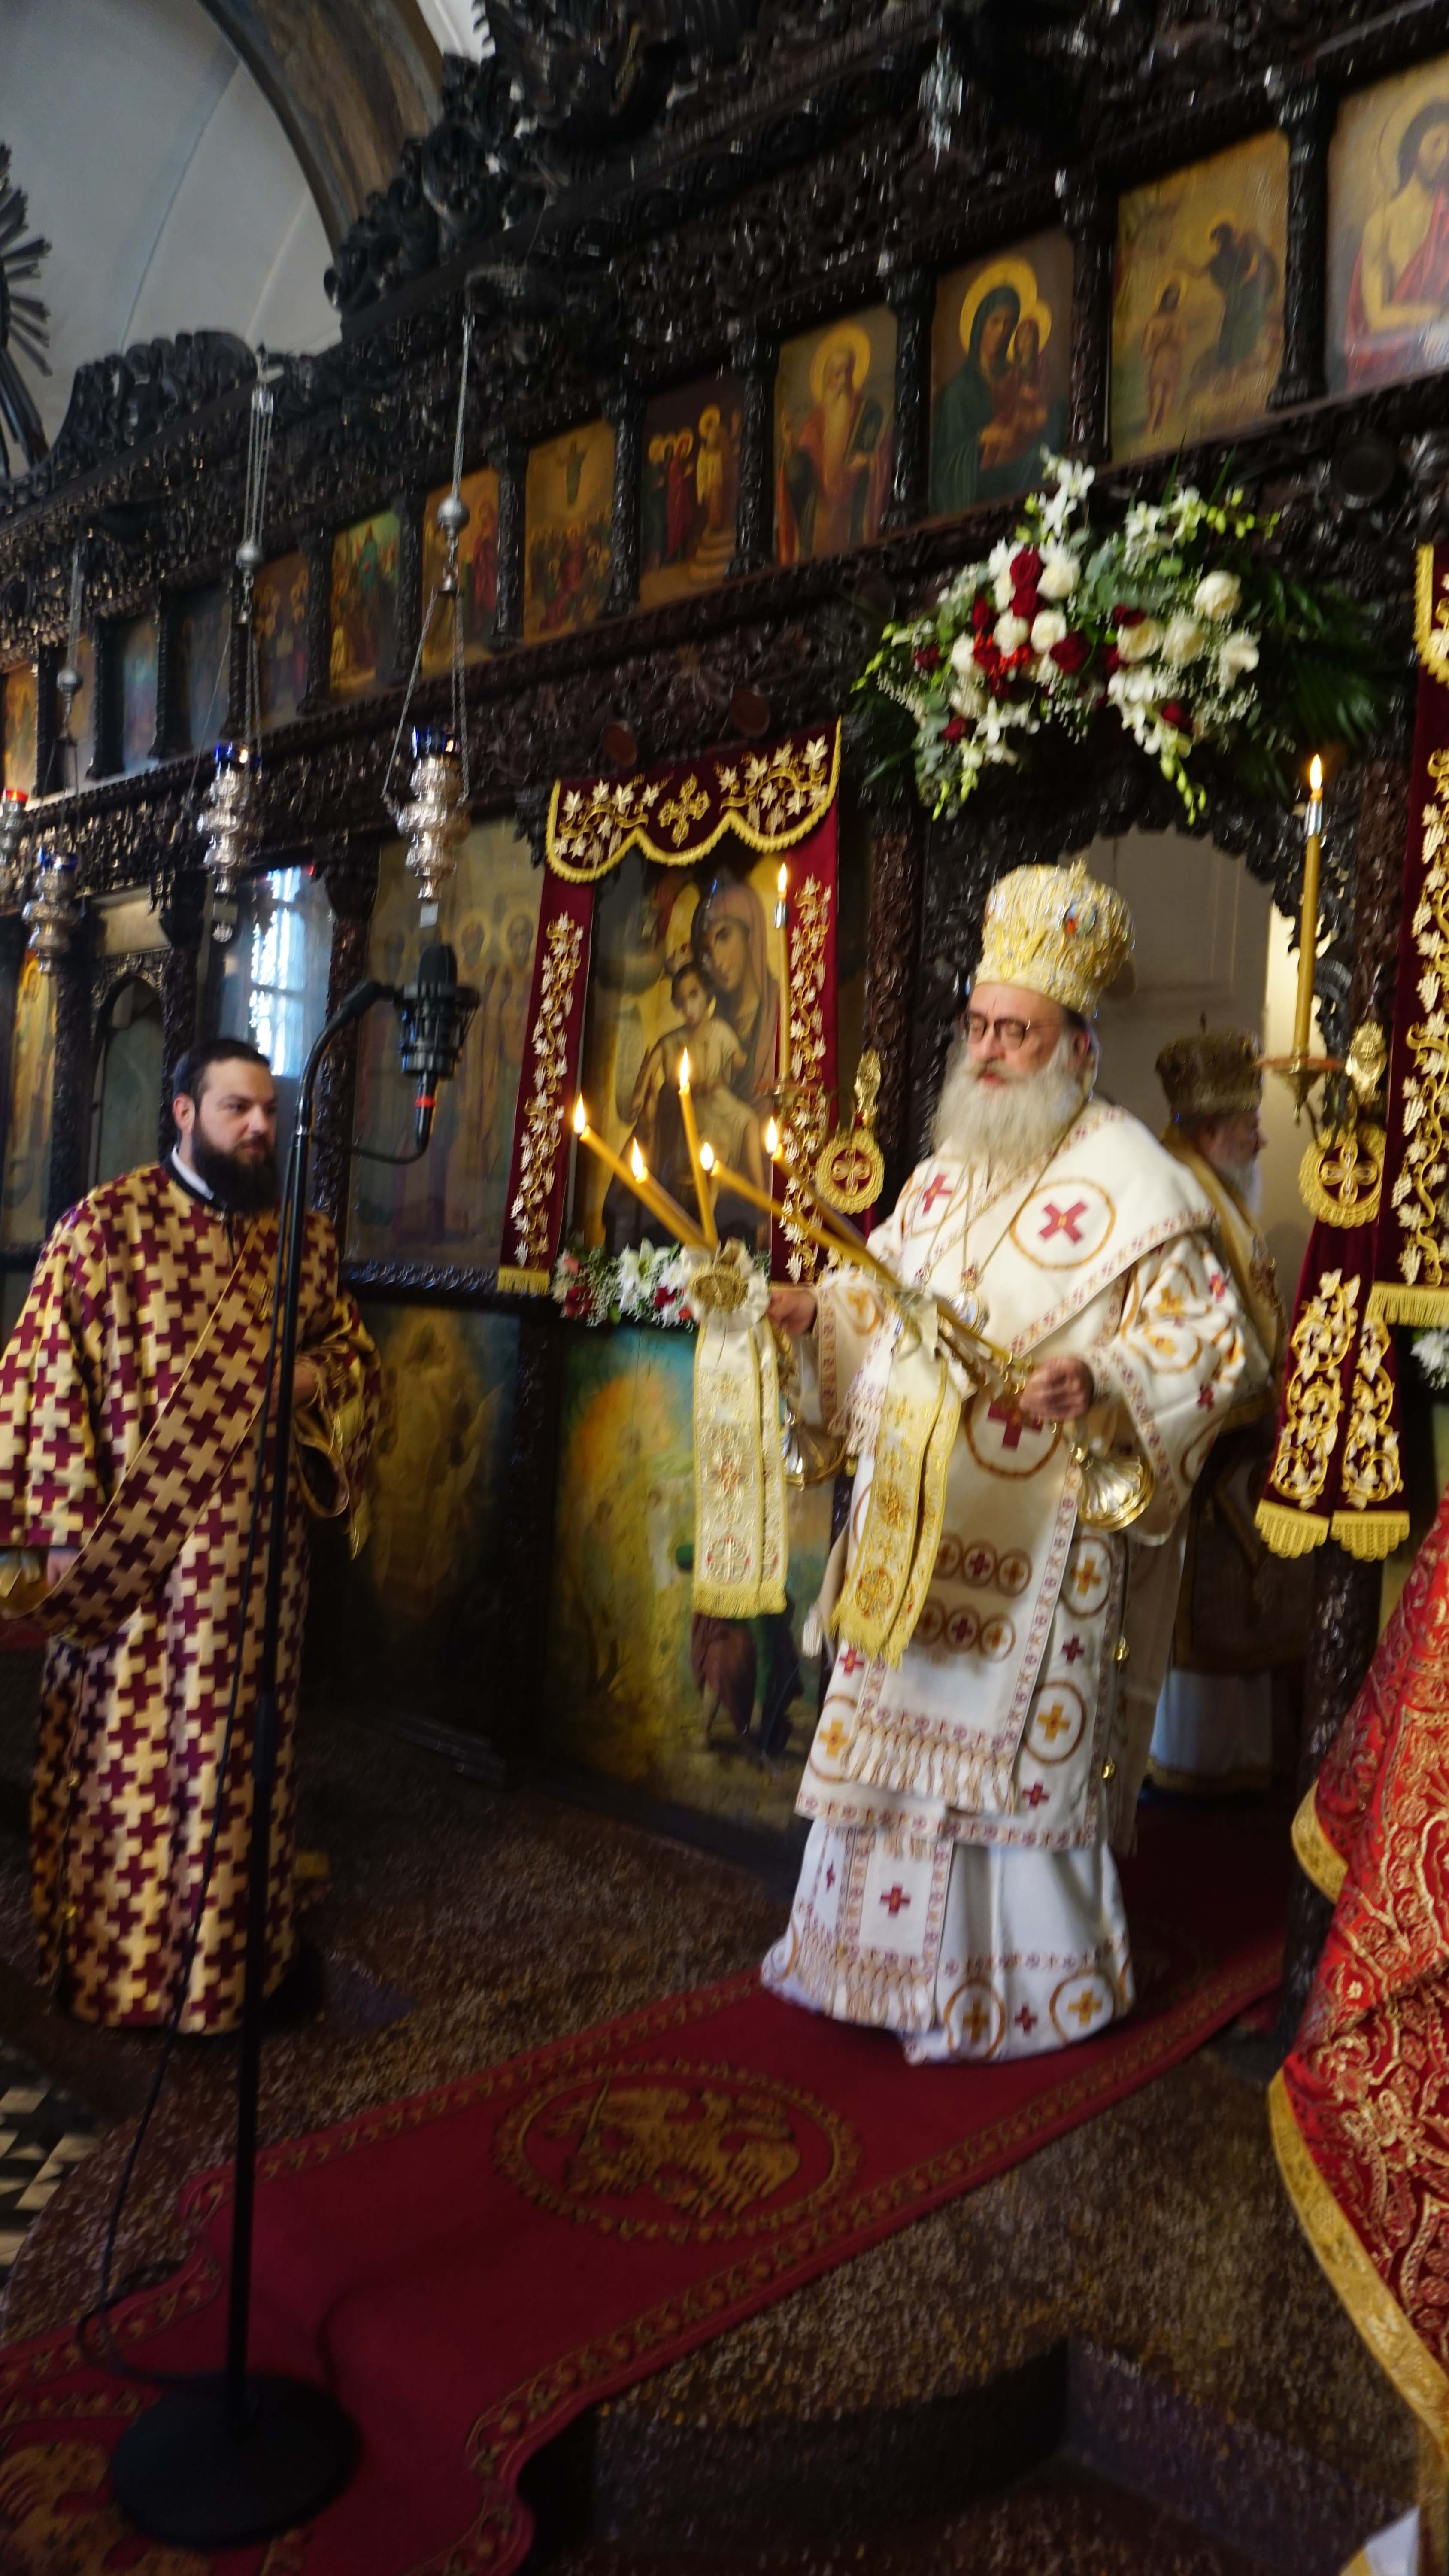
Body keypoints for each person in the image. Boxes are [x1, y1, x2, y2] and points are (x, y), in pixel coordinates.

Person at [761, 863, 1267, 2062]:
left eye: (1016, 1032)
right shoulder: (942, 1177)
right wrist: (811, 1318)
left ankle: (1024, 1992)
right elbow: (879, 1304)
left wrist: (1104, 1379)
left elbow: (1222, 1349)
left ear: (1076, 1049)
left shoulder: (1136, 1178)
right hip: (917, 1524)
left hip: (1047, 1532)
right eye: (979, 1027)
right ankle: (858, 1967)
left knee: (1011, 1764)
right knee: (891, 1739)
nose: (988, 1052)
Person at [0, 1040, 379, 2033]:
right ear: (183, 1113)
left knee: (241, 1766)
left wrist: (309, 1380)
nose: (258, 1127)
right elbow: (43, 1382)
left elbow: (354, 1363)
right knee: (130, 1770)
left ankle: (236, 1969)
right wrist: (66, 1535)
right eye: (234, 1109)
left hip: (259, 1568)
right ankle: (125, 1972)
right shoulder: (103, 1229)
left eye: (267, 1111)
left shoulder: (303, 1242)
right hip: (138, 1563)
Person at [1140, 1031, 1303, 1799]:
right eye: (1248, 1126)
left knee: (1244, 1585)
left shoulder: (1212, 1187)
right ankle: (1193, 1756)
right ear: (1209, 1130)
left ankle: (1225, 1756)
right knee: (1209, 1588)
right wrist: (1258, 1407)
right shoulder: (1182, 1197)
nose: (1260, 1139)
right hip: (1205, 1442)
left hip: (1239, 1437)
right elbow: (1197, 1333)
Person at [1346, 97, 1449, 389]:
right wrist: (1440, 314)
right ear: (1414, 146)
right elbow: (1377, 316)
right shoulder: (1381, 224)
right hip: (1390, 367)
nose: (1445, 155)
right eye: (1437, 143)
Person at [778, 333, 890, 562]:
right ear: (827, 378)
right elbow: (800, 475)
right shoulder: (814, 423)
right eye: (837, 373)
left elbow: (883, 453)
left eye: (848, 372)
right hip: (819, 516)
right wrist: (790, 445)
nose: (843, 380)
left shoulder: (869, 411)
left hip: (855, 509)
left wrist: (868, 462)